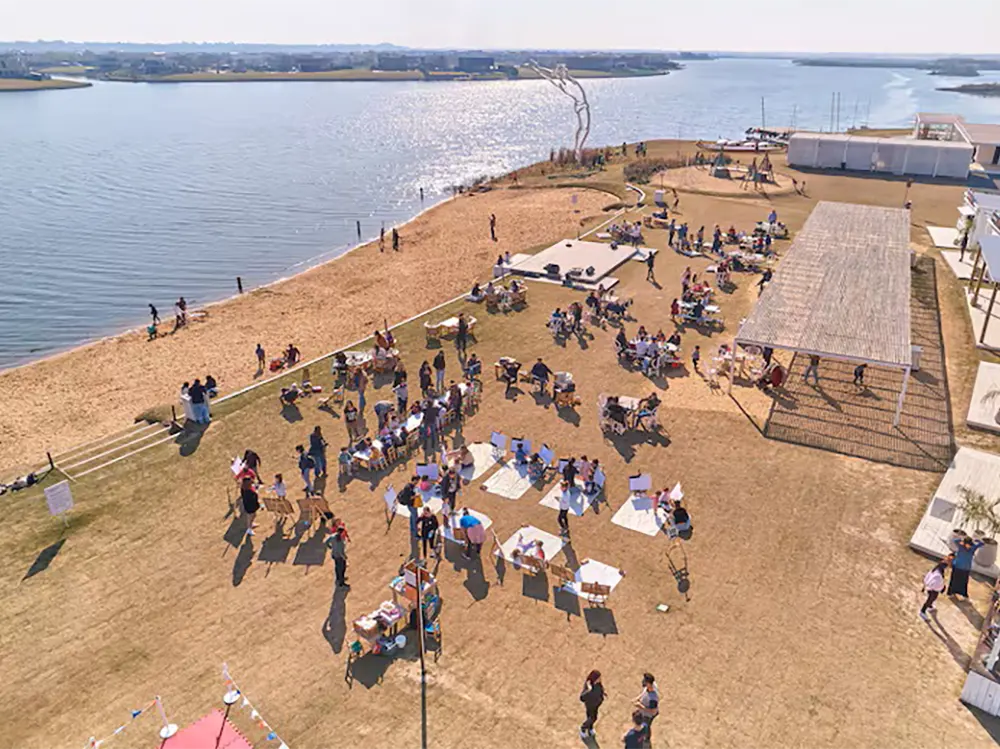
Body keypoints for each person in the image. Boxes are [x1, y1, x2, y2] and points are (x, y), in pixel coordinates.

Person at [948, 535, 984, 599]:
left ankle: (963, 594)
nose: (968, 546)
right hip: (957, 566)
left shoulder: (973, 548)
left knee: (964, 582)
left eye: (969, 545)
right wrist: (961, 539)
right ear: (964, 543)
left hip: (966, 568)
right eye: (967, 544)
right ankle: (951, 592)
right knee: (954, 580)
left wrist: (976, 540)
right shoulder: (961, 546)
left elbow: (982, 544)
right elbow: (955, 540)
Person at [633, 673, 660, 745]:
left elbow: (653, 711)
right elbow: (644, 691)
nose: (643, 682)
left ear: (649, 684)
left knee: (646, 726)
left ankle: (647, 739)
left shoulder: (653, 698)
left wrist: (641, 707)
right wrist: (638, 698)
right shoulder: (650, 686)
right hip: (644, 711)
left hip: (648, 715)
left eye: (645, 681)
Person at [579, 670, 606, 740]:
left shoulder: (598, 684)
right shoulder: (588, 686)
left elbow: (601, 689)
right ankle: (583, 728)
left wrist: (603, 694)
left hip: (596, 705)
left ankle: (590, 728)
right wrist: (589, 690)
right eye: (598, 678)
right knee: (592, 718)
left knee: (593, 718)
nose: (600, 680)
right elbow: (582, 698)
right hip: (590, 706)